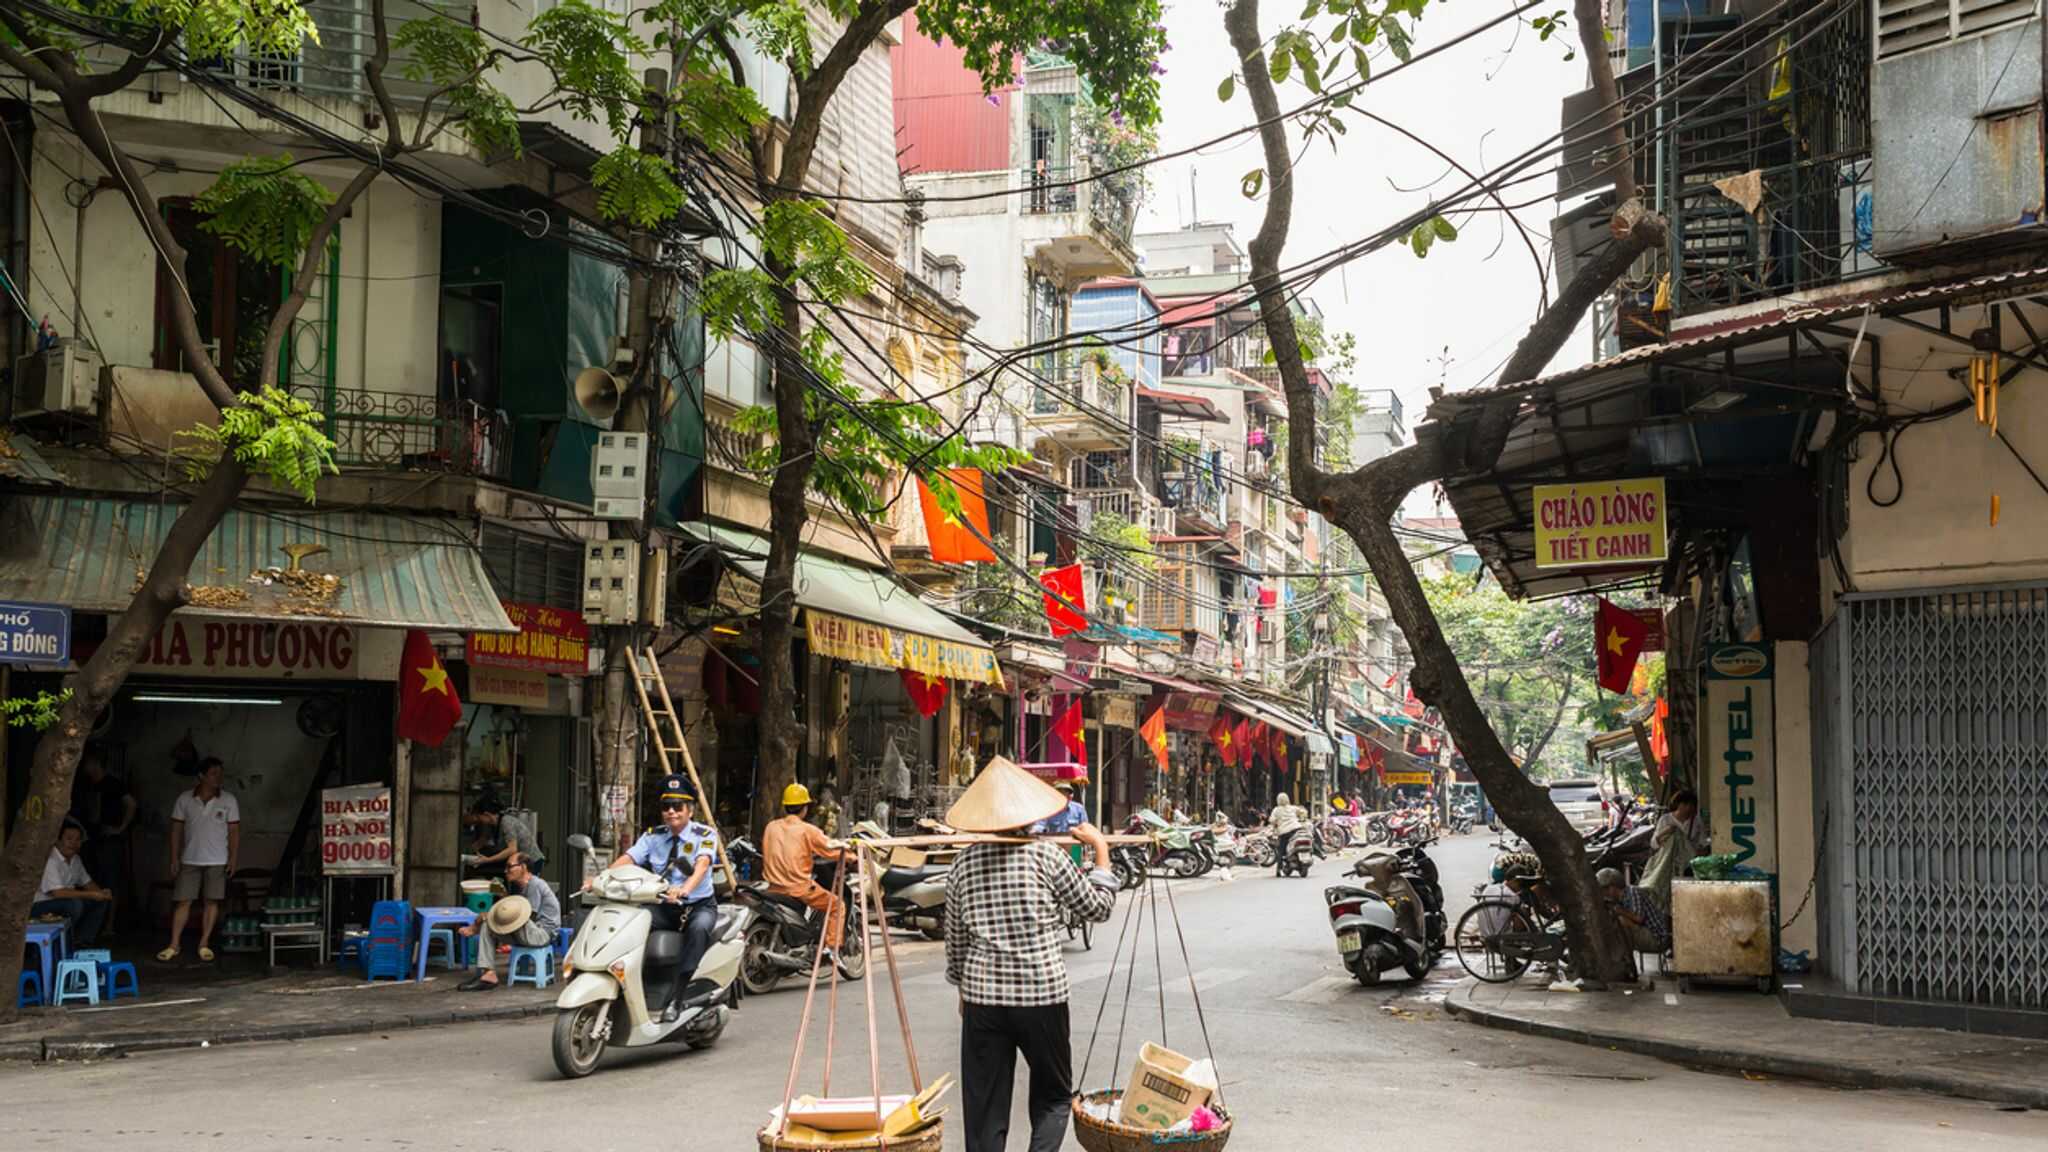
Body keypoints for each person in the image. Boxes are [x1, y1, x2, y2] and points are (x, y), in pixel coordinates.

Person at [944, 758, 1117, 1152]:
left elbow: (955, 942)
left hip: (983, 999)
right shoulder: (1047, 857)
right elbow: (1098, 909)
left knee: (984, 1106)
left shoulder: (962, 863)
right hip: (1042, 996)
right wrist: (1102, 850)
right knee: (1054, 1097)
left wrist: (962, 989)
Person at [612, 775, 719, 1022]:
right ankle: (629, 988)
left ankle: (677, 998)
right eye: (665, 807)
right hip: (664, 906)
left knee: (700, 929)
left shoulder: (705, 834)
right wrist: (600, 877)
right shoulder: (653, 836)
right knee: (632, 923)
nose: (671, 812)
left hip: (696, 906)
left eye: (677, 806)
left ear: (690, 810)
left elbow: (702, 865)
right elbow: (629, 858)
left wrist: (685, 889)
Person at [159, 757, 239, 962]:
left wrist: (233, 858)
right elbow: (176, 830)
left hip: (218, 859)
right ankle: (174, 943)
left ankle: (204, 942)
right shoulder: (185, 799)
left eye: (220, 773)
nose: (218, 777)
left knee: (211, 901)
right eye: (213, 773)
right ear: (201, 776)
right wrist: (174, 857)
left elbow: (234, 832)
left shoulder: (228, 800)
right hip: (190, 858)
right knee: (183, 901)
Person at [763, 783, 851, 962]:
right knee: (837, 906)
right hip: (798, 888)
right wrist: (852, 856)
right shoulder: (807, 830)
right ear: (804, 808)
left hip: (772, 888)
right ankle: (831, 949)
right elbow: (830, 848)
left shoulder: (771, 827)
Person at [459, 853, 560, 991]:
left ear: (523, 867)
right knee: (488, 926)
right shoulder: (523, 887)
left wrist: (484, 918)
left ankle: (476, 927)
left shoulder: (535, 885)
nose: (506, 871)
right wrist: (503, 898)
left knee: (490, 918)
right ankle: (489, 974)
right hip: (528, 932)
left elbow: (527, 917)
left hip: (541, 934)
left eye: (509, 866)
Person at [70, 750, 135, 911]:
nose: (84, 767)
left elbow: (131, 804)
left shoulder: (113, 784)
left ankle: (109, 925)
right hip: (89, 840)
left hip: (108, 840)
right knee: (89, 879)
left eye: (87, 763)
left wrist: (120, 828)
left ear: (95, 764)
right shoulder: (85, 785)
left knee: (111, 881)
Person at [34, 821, 112, 945]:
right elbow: (57, 893)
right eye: (69, 839)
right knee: (75, 905)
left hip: (64, 902)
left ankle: (82, 941)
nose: (74, 843)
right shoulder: (51, 859)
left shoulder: (75, 859)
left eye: (78, 840)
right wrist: (92, 894)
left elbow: (88, 883)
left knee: (99, 901)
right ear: (58, 841)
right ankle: (65, 942)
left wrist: (101, 893)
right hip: (40, 905)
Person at [1030, 779, 1111, 873]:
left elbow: (1086, 828)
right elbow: (1039, 825)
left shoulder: (1079, 809)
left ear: (1071, 796)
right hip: (1055, 848)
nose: (1065, 796)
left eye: (1067, 793)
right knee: (1056, 873)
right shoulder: (1049, 809)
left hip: (1075, 848)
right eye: (1061, 793)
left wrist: (1086, 852)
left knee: (1076, 872)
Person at [1599, 867, 1671, 956]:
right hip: (1647, 935)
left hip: (1657, 938)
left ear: (1613, 887)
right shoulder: (1620, 899)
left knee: (1621, 920)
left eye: (1605, 890)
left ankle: (1624, 956)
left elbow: (1639, 918)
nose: (1605, 894)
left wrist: (1620, 911)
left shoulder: (1633, 892)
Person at [466, 797, 545, 877]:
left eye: (479, 817)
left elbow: (512, 849)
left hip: (531, 861)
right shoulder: (492, 824)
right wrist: (469, 853)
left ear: (487, 814)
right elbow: (483, 839)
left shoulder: (506, 822)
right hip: (518, 860)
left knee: (523, 887)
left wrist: (488, 860)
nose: (479, 820)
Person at [1654, 789, 1710, 858]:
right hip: (1670, 862)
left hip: (1690, 862)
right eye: (1685, 804)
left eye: (1692, 805)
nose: (1688, 808)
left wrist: (1700, 852)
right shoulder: (1665, 820)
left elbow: (1703, 842)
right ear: (1678, 804)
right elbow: (1654, 844)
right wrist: (1663, 833)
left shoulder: (1697, 820)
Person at [1268, 791, 1307, 875]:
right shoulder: (1292, 808)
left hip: (1284, 832)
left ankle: (1278, 870)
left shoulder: (1276, 810)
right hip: (1297, 829)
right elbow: (1303, 812)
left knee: (1281, 851)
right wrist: (1301, 818)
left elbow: (1271, 820)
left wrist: (1275, 823)